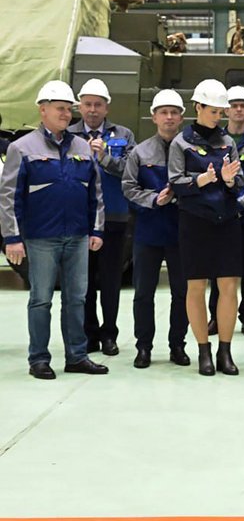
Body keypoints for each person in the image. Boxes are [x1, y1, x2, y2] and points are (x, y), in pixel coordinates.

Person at [0, 80, 108, 379]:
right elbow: (8, 196)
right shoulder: (21, 148)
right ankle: (39, 359)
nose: (66, 114)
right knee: (41, 299)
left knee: (76, 298)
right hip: (40, 237)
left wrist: (96, 231)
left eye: (68, 109)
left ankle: (77, 356)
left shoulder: (82, 147)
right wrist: (12, 237)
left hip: (77, 236)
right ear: (43, 109)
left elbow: (95, 193)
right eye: (60, 108)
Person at [168, 78, 243, 376]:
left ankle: (225, 350)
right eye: (213, 111)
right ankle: (203, 351)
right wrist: (200, 181)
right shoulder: (181, 143)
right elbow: (174, 182)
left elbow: (239, 182)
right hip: (194, 222)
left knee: (228, 287)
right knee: (195, 286)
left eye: (220, 112)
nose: (218, 116)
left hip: (226, 221)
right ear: (197, 107)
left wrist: (227, 180)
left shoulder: (228, 143)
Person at [67, 78, 136, 357]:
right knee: (83, 281)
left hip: (114, 217)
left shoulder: (124, 135)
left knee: (109, 279)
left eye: (98, 105)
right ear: (80, 107)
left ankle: (109, 333)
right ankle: (89, 333)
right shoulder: (68, 135)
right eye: (87, 104)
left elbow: (131, 170)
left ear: (107, 108)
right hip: (78, 219)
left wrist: (106, 157)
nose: (92, 110)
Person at [122, 89, 190, 369]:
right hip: (149, 233)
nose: (169, 117)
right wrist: (152, 199)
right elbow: (128, 186)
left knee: (182, 293)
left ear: (182, 117)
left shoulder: (190, 150)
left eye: (174, 112)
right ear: (154, 117)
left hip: (181, 233)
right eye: (164, 112)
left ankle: (178, 345)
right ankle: (144, 346)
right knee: (143, 293)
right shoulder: (140, 152)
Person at [207, 86, 244, 337]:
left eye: (243, 105)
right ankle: (216, 315)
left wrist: (241, 204)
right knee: (217, 266)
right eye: (234, 105)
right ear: (226, 109)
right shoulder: (214, 140)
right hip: (221, 215)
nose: (238, 109)